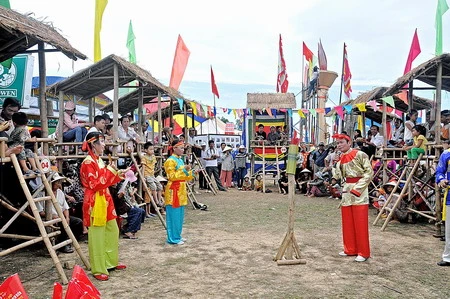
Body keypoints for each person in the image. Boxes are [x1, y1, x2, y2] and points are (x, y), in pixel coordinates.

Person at [80, 131, 128, 281]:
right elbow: (95, 184)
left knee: (112, 230)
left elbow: (105, 179)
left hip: (105, 198)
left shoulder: (99, 160)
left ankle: (110, 262)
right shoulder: (88, 163)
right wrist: (111, 171)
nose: (104, 144)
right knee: (97, 235)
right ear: (93, 144)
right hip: (95, 200)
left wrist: (118, 173)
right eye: (102, 142)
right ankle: (98, 268)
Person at [332, 133, 373, 262]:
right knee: (347, 220)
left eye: (341, 142)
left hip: (359, 188)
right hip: (347, 189)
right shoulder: (340, 158)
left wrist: (358, 188)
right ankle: (349, 248)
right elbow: (338, 176)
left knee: (360, 221)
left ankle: (363, 252)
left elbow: (369, 172)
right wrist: (335, 167)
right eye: (337, 143)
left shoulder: (359, 154)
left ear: (349, 143)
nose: (339, 145)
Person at [163, 140, 196, 245]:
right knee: (173, 215)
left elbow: (185, 176)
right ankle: (172, 238)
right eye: (181, 148)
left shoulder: (180, 160)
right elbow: (171, 176)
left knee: (180, 215)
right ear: (174, 148)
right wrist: (184, 170)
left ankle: (177, 235)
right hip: (174, 190)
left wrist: (191, 173)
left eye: (183, 148)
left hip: (181, 188)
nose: (183, 150)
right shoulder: (170, 161)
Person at [140, 142, 164, 217]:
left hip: (152, 175)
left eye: (153, 149)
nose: (152, 151)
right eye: (150, 149)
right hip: (147, 175)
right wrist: (143, 176)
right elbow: (143, 167)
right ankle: (156, 201)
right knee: (153, 187)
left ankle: (159, 200)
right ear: (145, 150)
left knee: (160, 186)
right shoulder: (144, 157)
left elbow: (154, 166)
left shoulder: (153, 157)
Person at [435, 146, 450, 266]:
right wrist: (441, 180)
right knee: (449, 229)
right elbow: (439, 172)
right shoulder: (446, 154)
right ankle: (448, 257)